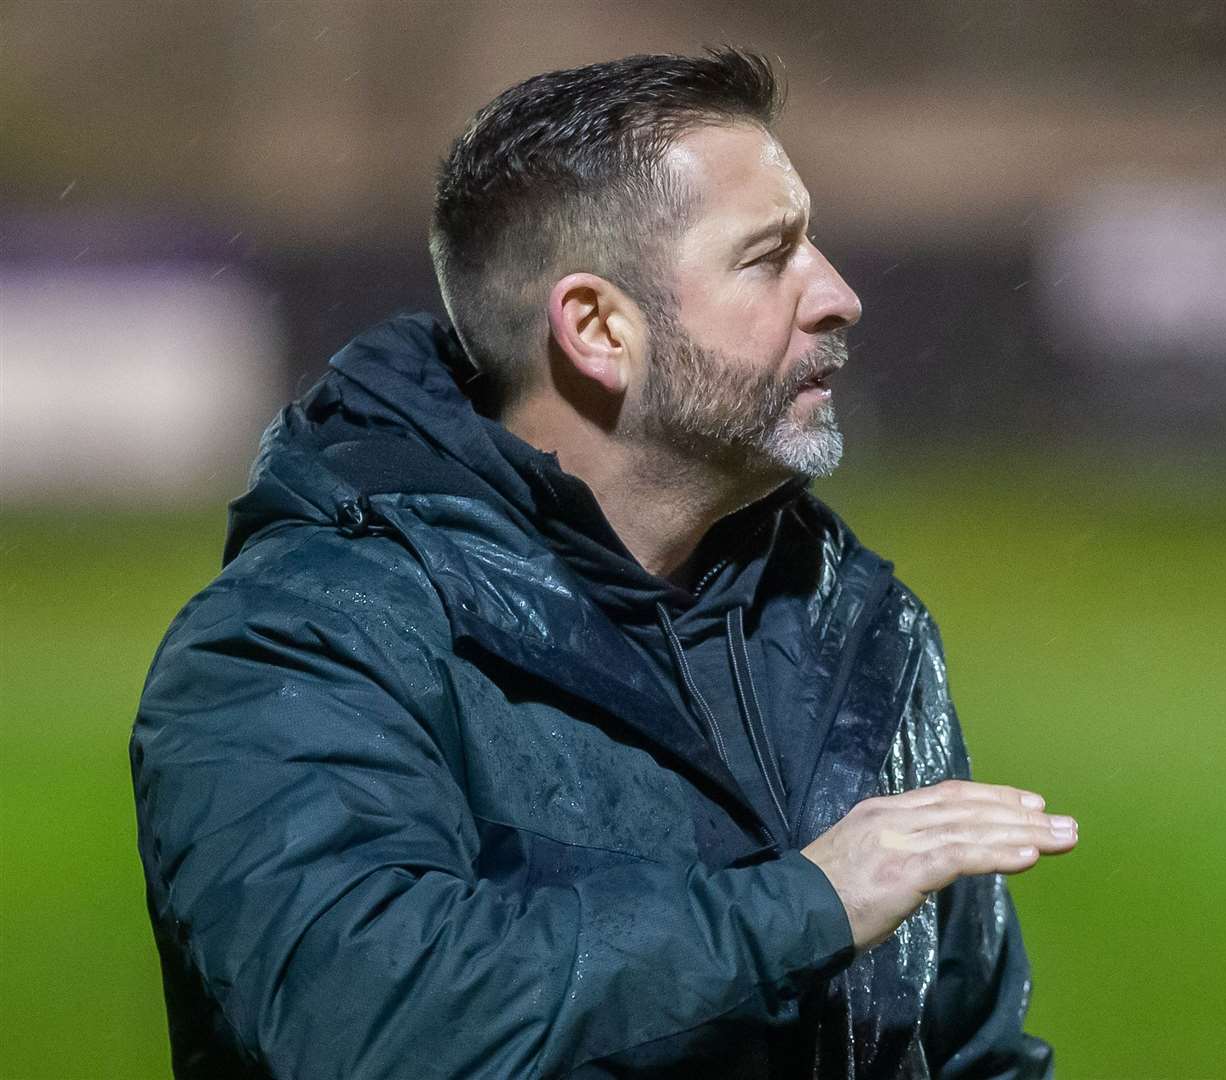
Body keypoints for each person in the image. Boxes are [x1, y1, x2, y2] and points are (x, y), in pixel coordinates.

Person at [131, 49, 1077, 1079]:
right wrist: (805, 906)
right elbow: (354, 1018)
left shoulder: (860, 630)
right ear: (595, 328)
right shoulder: (302, 637)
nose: (839, 295)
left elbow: (971, 1054)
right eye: (769, 258)